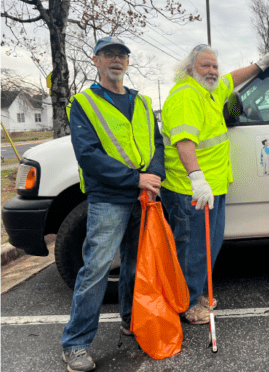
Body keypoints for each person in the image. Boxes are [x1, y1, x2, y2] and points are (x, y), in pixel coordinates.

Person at [61, 37, 166, 372]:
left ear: (128, 63)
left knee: (136, 268)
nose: (116, 60)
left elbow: (157, 144)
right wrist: (135, 179)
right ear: (96, 60)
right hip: (109, 198)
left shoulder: (143, 102)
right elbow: (89, 155)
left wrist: (154, 177)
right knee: (95, 270)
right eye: (109, 54)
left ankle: (130, 322)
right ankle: (75, 344)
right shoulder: (85, 103)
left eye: (121, 55)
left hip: (142, 198)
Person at [160, 44, 269, 324]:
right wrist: (197, 179)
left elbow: (233, 78)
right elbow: (184, 143)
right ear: (190, 69)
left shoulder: (211, 89)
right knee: (192, 247)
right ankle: (188, 303)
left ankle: (198, 292)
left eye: (215, 66)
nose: (213, 71)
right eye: (206, 66)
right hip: (190, 187)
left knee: (209, 245)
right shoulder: (186, 96)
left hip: (213, 185)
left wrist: (259, 66)